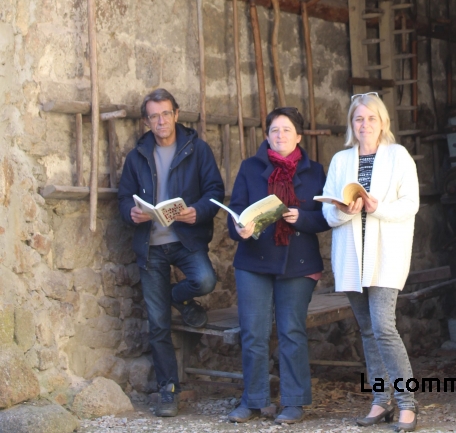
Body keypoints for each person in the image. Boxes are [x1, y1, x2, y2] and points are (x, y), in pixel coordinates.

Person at [118, 88, 224, 417]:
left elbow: (215, 191)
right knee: (158, 324)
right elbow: (124, 197)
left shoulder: (197, 149)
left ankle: (177, 297)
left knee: (205, 280)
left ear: (176, 114)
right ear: (146, 121)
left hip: (185, 238)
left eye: (165, 114)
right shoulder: (137, 155)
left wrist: (198, 211)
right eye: (154, 116)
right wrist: (130, 213)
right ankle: (168, 388)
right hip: (150, 245)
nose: (160, 121)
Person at [321, 93, 420, 432]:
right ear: (352, 124)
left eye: (371, 119)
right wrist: (342, 210)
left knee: (383, 326)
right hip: (352, 256)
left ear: (383, 123)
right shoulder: (340, 160)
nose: (365, 125)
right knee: (367, 330)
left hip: (386, 255)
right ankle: (381, 401)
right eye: (358, 119)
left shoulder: (397, 156)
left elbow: (411, 204)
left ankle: (407, 404)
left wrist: (377, 207)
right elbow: (326, 211)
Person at [225, 107, 330, 425]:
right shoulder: (250, 167)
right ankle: (253, 400)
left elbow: (328, 216)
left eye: (286, 130)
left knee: (291, 331)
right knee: (253, 333)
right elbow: (235, 214)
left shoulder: (314, 172)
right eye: (274, 130)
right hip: (254, 260)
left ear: (298, 136)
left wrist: (303, 218)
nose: (280, 135)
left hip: (298, 261)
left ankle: (294, 402)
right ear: (267, 136)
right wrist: (240, 228)